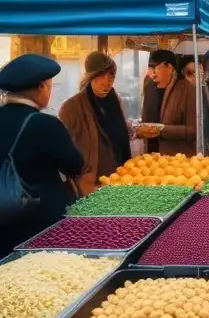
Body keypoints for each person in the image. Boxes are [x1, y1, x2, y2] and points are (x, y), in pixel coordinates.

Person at [0, 55, 85, 256]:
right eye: (50, 85)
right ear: (41, 87)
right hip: (38, 224)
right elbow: (75, 165)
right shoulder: (45, 124)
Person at [59, 51, 131, 195]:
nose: (106, 83)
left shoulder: (117, 102)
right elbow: (62, 149)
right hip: (89, 184)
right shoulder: (71, 107)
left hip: (119, 179)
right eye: (101, 76)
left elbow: (120, 137)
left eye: (111, 77)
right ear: (91, 77)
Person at [140, 49, 197, 156]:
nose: (152, 73)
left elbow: (193, 130)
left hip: (177, 160)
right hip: (150, 158)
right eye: (149, 68)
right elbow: (145, 118)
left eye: (155, 67)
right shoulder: (148, 86)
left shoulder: (187, 90)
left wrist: (161, 130)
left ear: (170, 67)